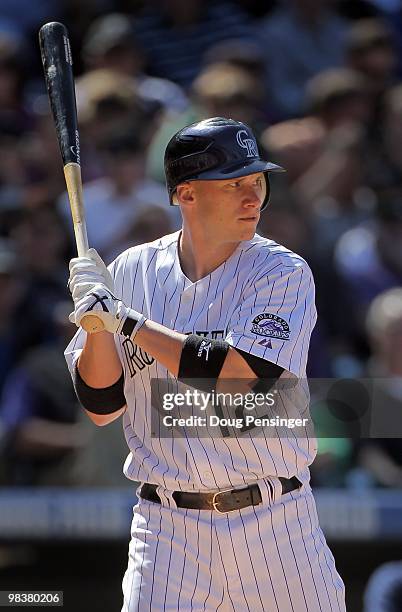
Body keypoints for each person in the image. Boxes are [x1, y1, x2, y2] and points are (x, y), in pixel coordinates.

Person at [65, 117, 346, 611]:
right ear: (186, 194)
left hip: (276, 525)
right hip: (166, 530)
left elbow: (241, 383)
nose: (252, 197)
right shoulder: (132, 271)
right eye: (234, 184)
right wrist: (96, 327)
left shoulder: (281, 271)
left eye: (256, 182)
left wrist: (126, 322)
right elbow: (102, 405)